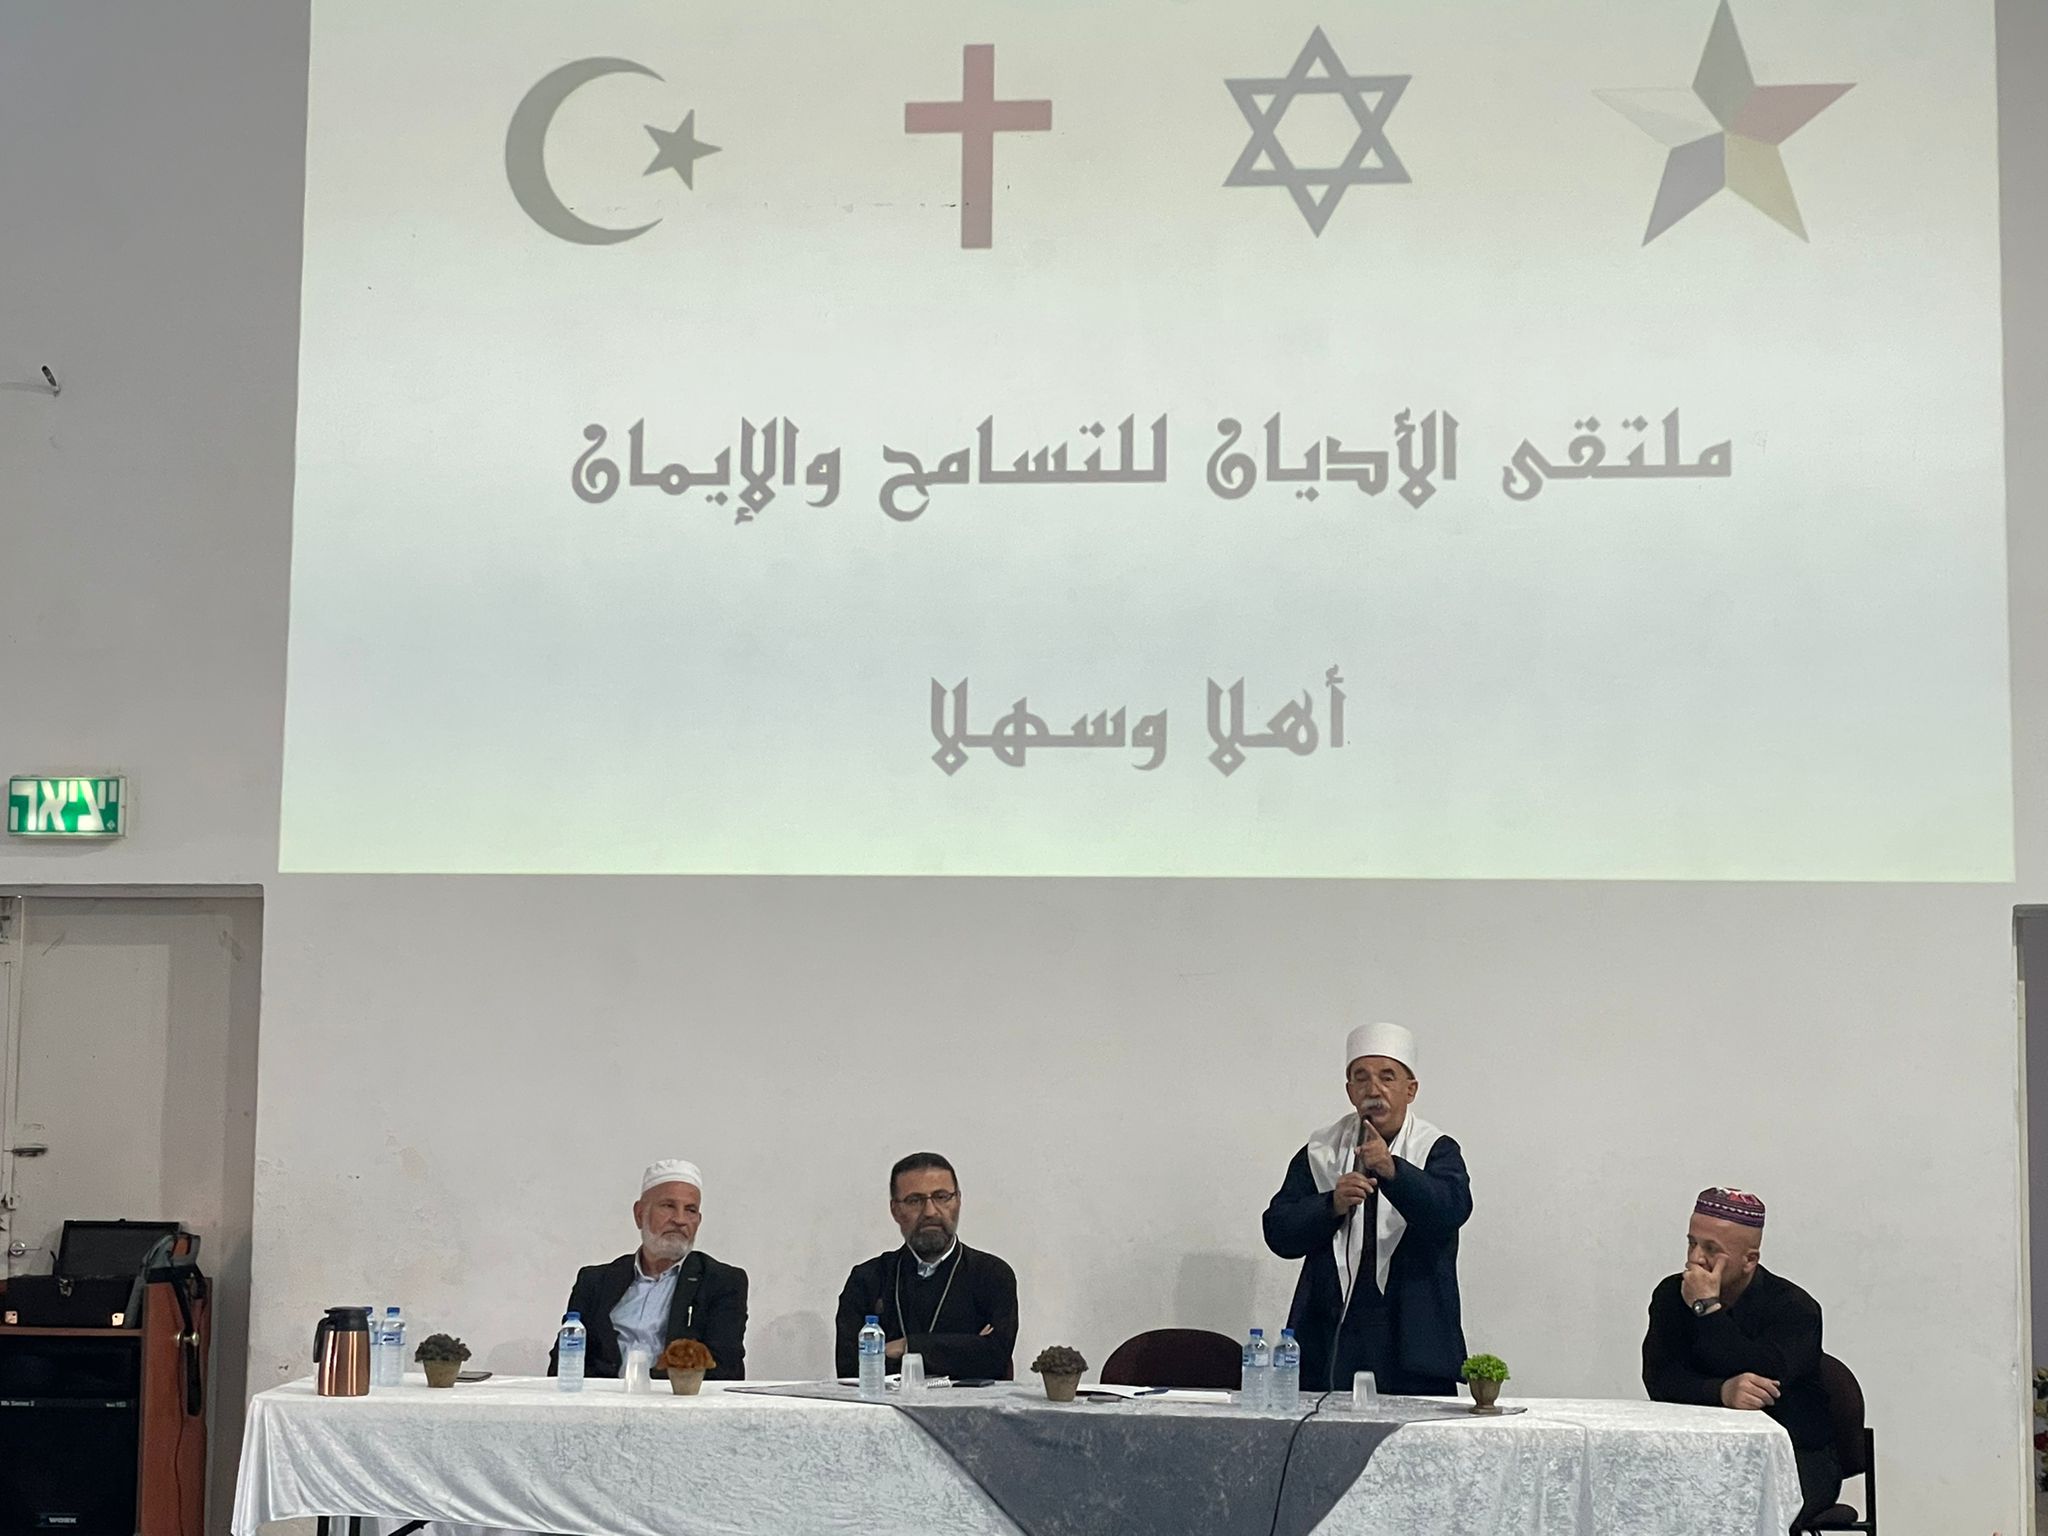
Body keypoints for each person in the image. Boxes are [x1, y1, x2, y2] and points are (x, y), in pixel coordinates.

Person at [1262, 1021, 1472, 1395]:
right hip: (1332, 1337)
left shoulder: (1436, 1149)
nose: (1373, 1089)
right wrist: (1331, 1204)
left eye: (1387, 1077)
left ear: (1410, 1089)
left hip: (1412, 1339)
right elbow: (1279, 1232)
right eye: (1361, 1078)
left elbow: (1451, 1210)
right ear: (1350, 1091)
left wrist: (1393, 1171)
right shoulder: (1320, 1152)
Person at [1642, 1188, 1839, 1525]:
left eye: (1711, 1249)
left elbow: (1764, 1374)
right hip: (1698, 1450)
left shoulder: (1796, 1308)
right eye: (1692, 1243)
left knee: (1737, 1513)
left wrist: (1707, 1308)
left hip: (1792, 1455)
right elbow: (1660, 1379)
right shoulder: (1671, 1296)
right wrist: (1721, 1392)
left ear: (1750, 1260)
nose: (1695, 1259)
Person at [548, 1158, 748, 1380]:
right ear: (639, 1214)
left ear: (698, 1221)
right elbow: (564, 1362)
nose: (680, 1219)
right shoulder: (596, 1282)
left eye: (690, 1210)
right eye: (668, 1206)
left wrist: (649, 1390)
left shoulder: (721, 1282)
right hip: (602, 1396)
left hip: (676, 1398)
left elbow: (724, 1370)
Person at [834, 1152, 1019, 1380]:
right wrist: (965, 1349)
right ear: (895, 1210)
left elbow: (994, 1357)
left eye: (941, 1197)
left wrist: (904, 1347)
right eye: (915, 1200)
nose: (930, 1211)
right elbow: (851, 1368)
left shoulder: (992, 1275)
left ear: (958, 1201)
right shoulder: (867, 1280)